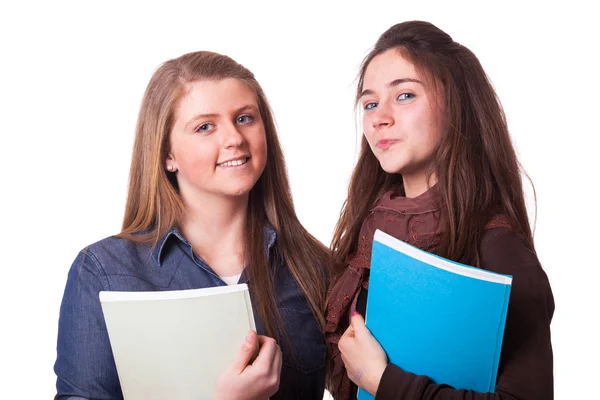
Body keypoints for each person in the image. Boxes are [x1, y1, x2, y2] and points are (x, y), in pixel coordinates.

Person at [54, 51, 329, 400]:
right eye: (205, 126)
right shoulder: (104, 272)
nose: (234, 139)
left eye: (245, 118)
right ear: (167, 154)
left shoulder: (315, 268)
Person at [325, 21, 554, 400]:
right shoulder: (366, 233)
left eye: (404, 96)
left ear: (455, 103)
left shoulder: (498, 248)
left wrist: (385, 383)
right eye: (370, 103)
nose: (380, 116)